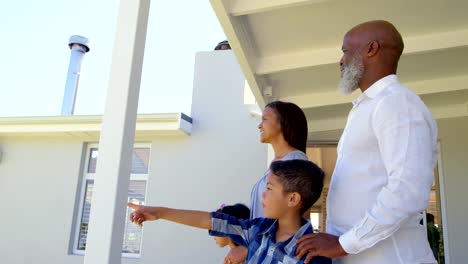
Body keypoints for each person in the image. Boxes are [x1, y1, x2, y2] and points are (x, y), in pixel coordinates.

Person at [295, 20, 438, 264]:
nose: (341, 61)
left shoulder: (396, 103)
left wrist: (344, 243)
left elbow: (407, 189)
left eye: (345, 51)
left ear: (371, 49)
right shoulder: (369, 106)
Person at [128, 159, 330, 264]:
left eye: (269, 189)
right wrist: (159, 212)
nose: (263, 197)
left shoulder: (314, 255)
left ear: (293, 198)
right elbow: (211, 220)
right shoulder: (257, 230)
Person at [225, 101, 310, 263]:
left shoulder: (295, 161)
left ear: (283, 123)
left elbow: (296, 220)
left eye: (264, 119)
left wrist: (248, 248)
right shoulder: (278, 164)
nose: (259, 125)